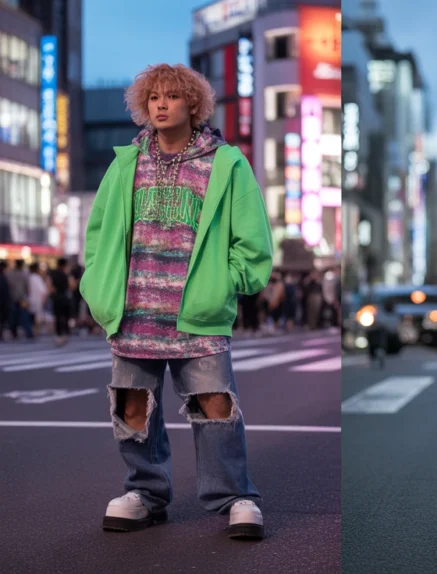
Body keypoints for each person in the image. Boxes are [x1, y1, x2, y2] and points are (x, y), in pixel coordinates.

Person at [80, 64, 273, 540]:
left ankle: (234, 495)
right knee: (132, 408)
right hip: (133, 315)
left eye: (171, 96)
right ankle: (144, 492)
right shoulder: (126, 163)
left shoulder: (226, 162)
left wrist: (223, 284)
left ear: (194, 104)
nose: (161, 105)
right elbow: (98, 234)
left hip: (198, 317)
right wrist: (96, 286)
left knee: (215, 408)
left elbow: (253, 242)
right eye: (152, 98)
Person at [49, 258, 72, 346]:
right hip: (65, 298)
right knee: (65, 317)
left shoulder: (53, 273)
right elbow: (70, 285)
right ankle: (64, 334)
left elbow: (50, 286)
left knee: (57, 317)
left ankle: (59, 335)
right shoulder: (65, 274)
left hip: (56, 298)